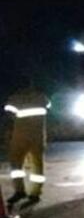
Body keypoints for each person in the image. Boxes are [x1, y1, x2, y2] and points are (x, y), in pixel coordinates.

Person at [4, 81, 50, 209]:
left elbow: (8, 117)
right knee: (37, 165)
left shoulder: (14, 99)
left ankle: (20, 191)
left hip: (20, 136)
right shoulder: (42, 97)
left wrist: (7, 136)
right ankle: (35, 193)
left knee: (16, 165)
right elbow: (48, 107)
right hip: (38, 137)